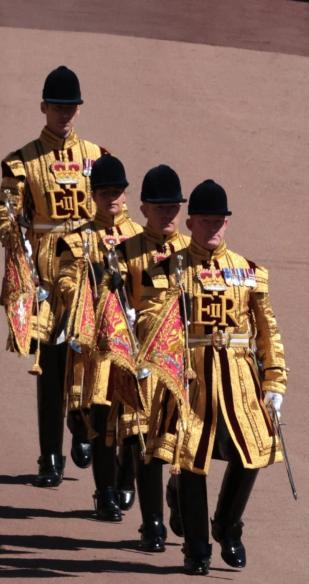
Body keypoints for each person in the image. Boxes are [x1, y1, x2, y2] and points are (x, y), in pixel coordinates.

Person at [144, 179, 287, 575]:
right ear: (190, 222)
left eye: (220, 222)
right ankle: (196, 547)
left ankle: (227, 523)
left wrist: (274, 381)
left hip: (239, 377)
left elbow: (268, 330)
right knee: (191, 458)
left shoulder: (248, 271)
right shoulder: (170, 268)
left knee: (252, 451)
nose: (214, 229)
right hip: (191, 377)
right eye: (206, 221)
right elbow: (155, 319)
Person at [0, 66, 107, 486]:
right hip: (43, 271)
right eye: (58, 106)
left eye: (71, 107)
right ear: (43, 107)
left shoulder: (98, 157)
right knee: (50, 365)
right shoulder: (21, 161)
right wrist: (15, 240)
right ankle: (50, 457)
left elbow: (112, 211)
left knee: (90, 355)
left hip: (87, 268)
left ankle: (82, 427)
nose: (64, 114)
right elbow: (5, 214)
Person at [54, 155, 142, 521]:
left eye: (118, 192)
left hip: (136, 341)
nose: (112, 199)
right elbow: (65, 281)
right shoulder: (78, 240)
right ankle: (105, 490)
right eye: (105, 192)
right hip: (97, 344)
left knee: (136, 419)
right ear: (93, 194)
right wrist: (84, 301)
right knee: (103, 418)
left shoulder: (141, 237)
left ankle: (126, 478)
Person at [115, 164, 190, 551]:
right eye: (161, 207)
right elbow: (111, 308)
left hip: (184, 364)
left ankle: (178, 495)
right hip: (141, 362)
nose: (169, 214)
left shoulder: (193, 254)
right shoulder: (124, 253)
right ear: (143, 208)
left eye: (175, 207)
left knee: (182, 440)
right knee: (143, 441)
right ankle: (153, 523)